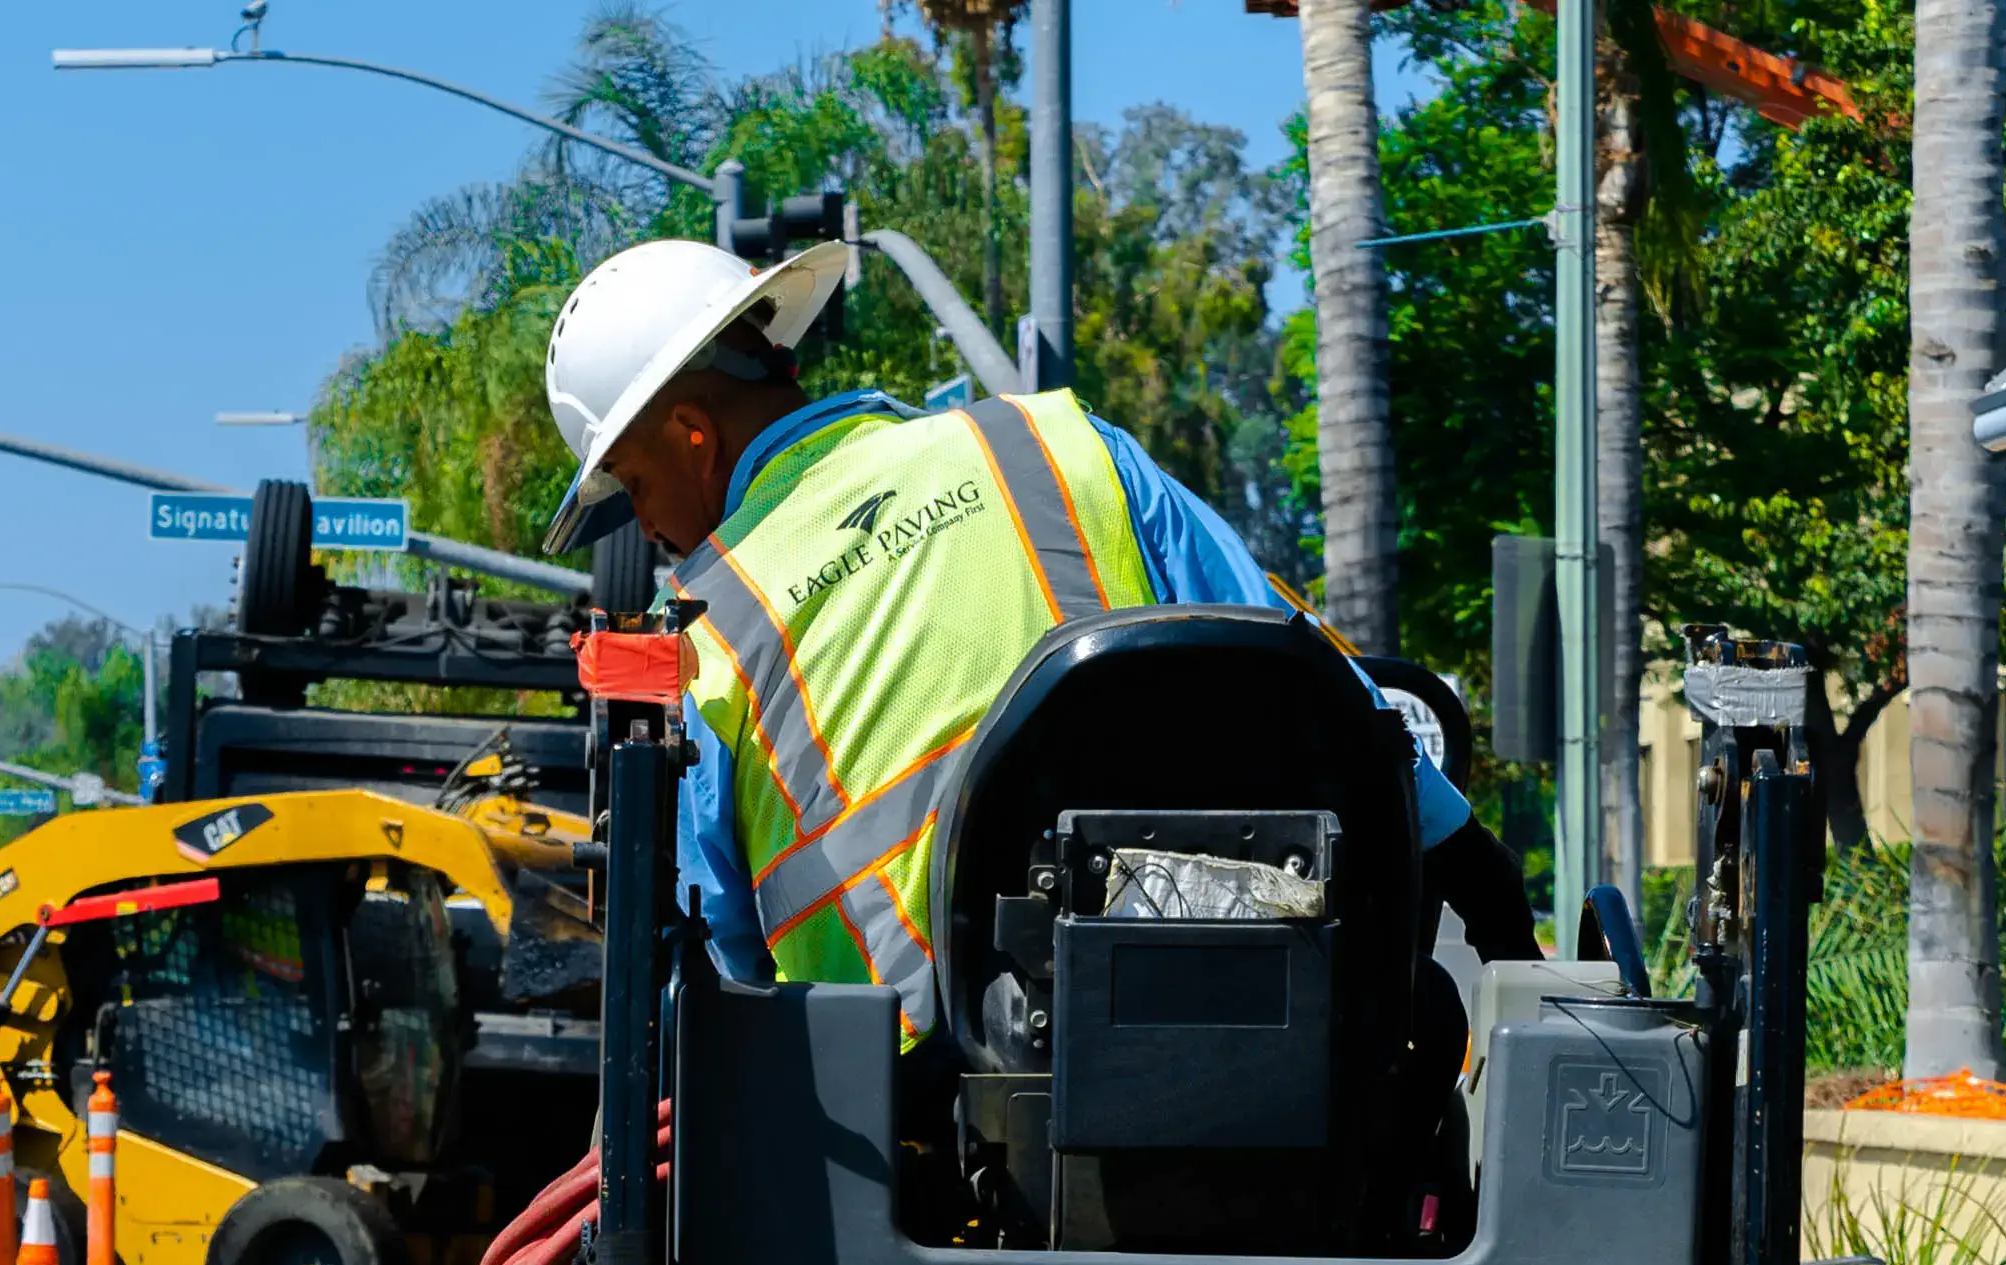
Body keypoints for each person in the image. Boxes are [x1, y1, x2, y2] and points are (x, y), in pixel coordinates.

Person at [540, 239, 1537, 1041]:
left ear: (692, 434)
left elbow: (725, 960)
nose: (652, 527)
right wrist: (1473, 868)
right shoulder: (1059, 451)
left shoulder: (714, 624)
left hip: (914, 1136)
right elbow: (1302, 670)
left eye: (632, 485)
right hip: (1232, 1024)